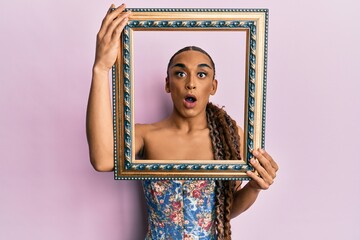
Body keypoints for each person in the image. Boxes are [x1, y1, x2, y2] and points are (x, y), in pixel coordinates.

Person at [86, 4, 279, 240]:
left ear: (213, 86)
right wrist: (101, 68)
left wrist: (256, 187)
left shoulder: (231, 135)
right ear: (168, 84)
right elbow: (102, 158)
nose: (190, 83)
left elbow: (226, 211)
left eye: (201, 74)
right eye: (180, 73)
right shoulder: (145, 135)